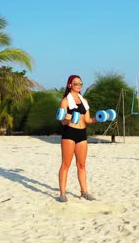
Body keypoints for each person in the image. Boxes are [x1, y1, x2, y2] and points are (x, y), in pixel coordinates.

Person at [57, 75, 98, 203]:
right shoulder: (65, 101)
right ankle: (62, 193)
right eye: (76, 83)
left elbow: (87, 120)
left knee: (81, 165)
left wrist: (100, 118)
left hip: (82, 134)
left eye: (80, 83)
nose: (79, 85)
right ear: (70, 85)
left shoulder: (84, 100)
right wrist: (69, 118)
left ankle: (84, 192)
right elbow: (62, 121)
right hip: (69, 133)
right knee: (66, 165)